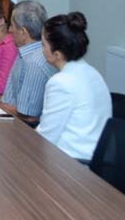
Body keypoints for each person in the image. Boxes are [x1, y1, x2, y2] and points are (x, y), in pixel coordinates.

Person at [36, 12, 112, 161]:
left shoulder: (61, 82)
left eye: (43, 45)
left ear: (57, 54)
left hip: (70, 162)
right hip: (94, 159)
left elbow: (46, 137)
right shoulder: (93, 72)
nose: (42, 50)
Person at [0, 1, 56, 126]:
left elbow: (30, 117)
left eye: (12, 25)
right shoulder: (25, 53)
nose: (9, 30)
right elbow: (10, 100)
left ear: (23, 32)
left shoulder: (34, 63)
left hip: (26, 131)